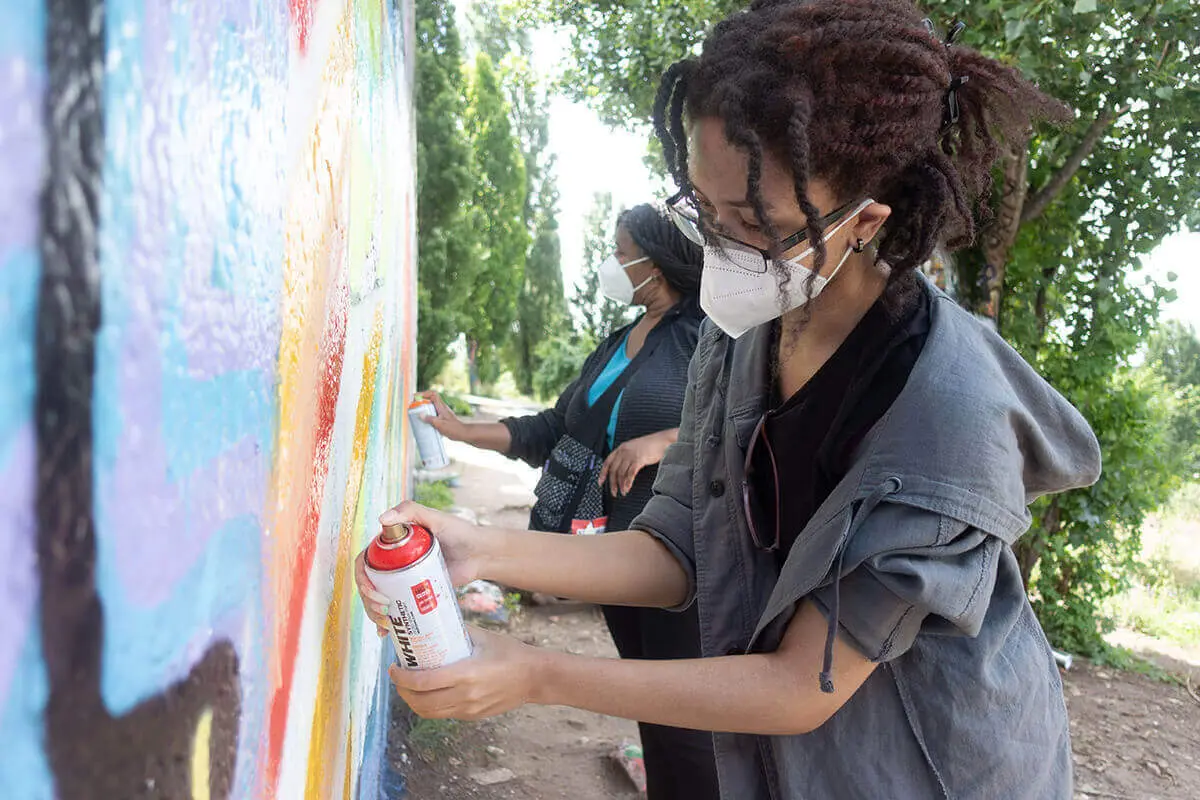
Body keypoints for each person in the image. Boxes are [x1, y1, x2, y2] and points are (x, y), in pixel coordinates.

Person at [356, 1, 1101, 797]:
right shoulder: (747, 328)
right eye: (706, 213)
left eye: (755, 222)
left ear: (864, 221)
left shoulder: (949, 416)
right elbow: (676, 551)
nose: (724, 252)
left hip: (930, 768)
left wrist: (536, 674)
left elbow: (798, 683)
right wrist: (484, 549)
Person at [411, 203, 719, 800]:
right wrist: (461, 430)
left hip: (675, 553)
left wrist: (665, 440)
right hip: (605, 551)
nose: (612, 262)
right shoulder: (617, 343)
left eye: (619, 249)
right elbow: (555, 427)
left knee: (686, 722)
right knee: (648, 704)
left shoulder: (708, 335)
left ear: (652, 264)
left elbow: (746, 425)